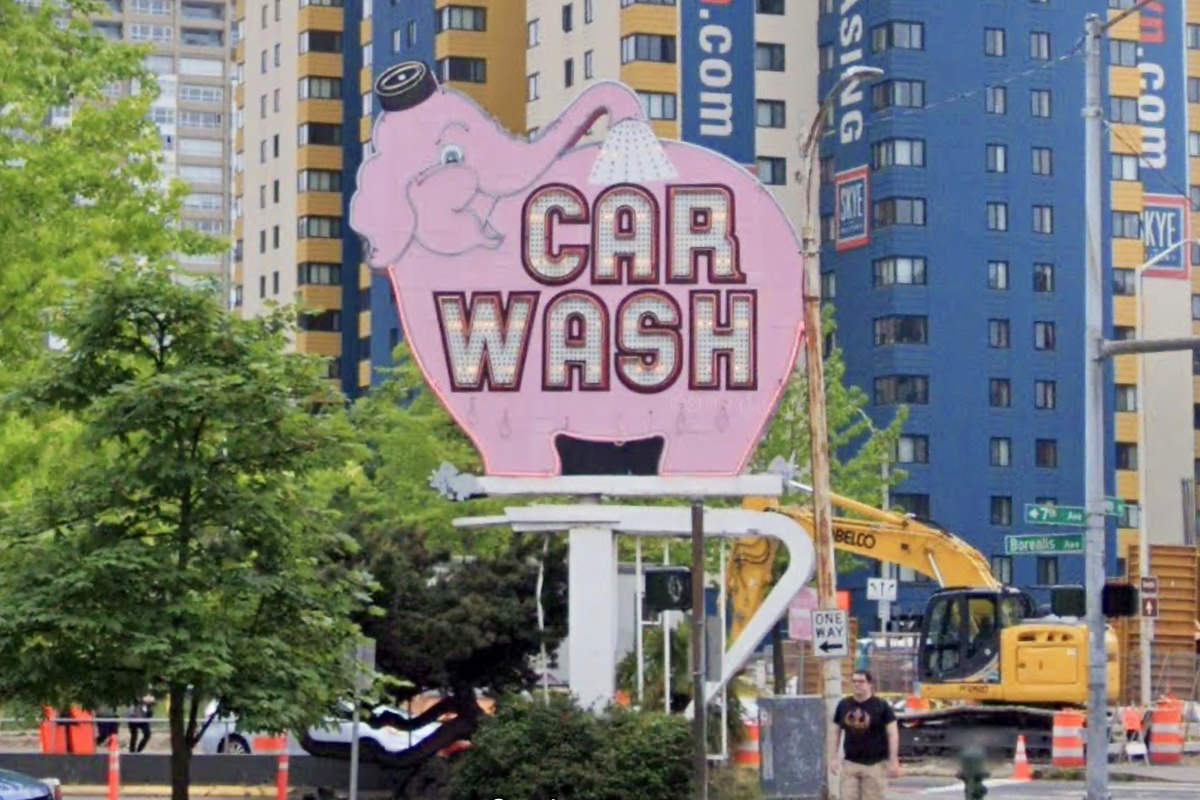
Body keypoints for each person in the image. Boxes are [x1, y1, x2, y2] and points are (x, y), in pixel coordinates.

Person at [829, 670, 900, 800]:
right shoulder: (844, 705)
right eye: (854, 681)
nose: (857, 684)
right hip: (850, 763)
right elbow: (835, 732)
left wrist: (893, 759)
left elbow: (893, 734)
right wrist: (833, 758)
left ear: (870, 684)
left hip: (875, 765)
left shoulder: (881, 706)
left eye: (861, 681)